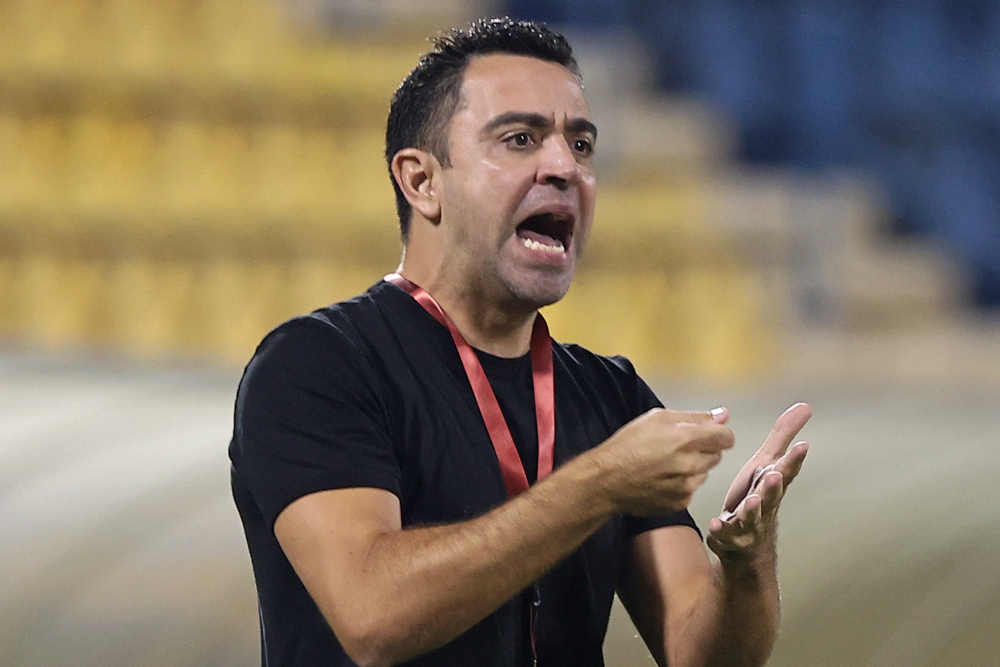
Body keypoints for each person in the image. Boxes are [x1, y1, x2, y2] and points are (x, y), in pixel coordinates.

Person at [229, 17, 811, 667]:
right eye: (520, 138)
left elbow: (702, 655)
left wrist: (746, 562)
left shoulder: (610, 396)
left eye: (582, 145)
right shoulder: (318, 365)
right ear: (421, 181)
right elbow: (373, 615)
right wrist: (597, 484)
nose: (564, 166)